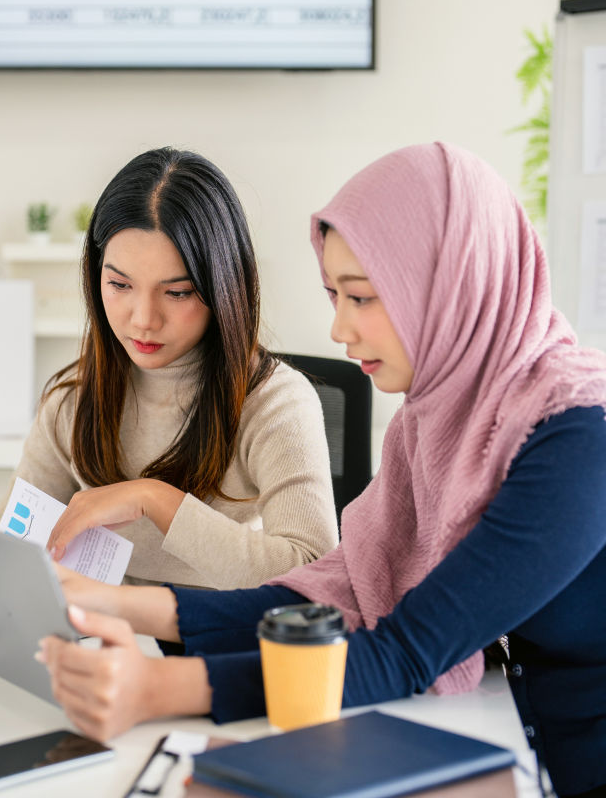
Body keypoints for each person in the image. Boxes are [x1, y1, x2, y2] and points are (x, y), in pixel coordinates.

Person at [36, 142, 606, 798]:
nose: (339, 329)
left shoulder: (576, 435)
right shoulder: (438, 421)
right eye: (334, 295)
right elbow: (331, 596)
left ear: (450, 286)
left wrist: (158, 689)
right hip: (524, 742)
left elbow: (407, 648)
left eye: (361, 298)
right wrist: (111, 603)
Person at [0, 147, 339, 590]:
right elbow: (7, 549)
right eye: (120, 285)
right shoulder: (75, 398)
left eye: (177, 292)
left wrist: (152, 499)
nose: (142, 319)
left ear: (227, 287)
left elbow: (314, 574)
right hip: (100, 651)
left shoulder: (276, 404)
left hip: (213, 656)